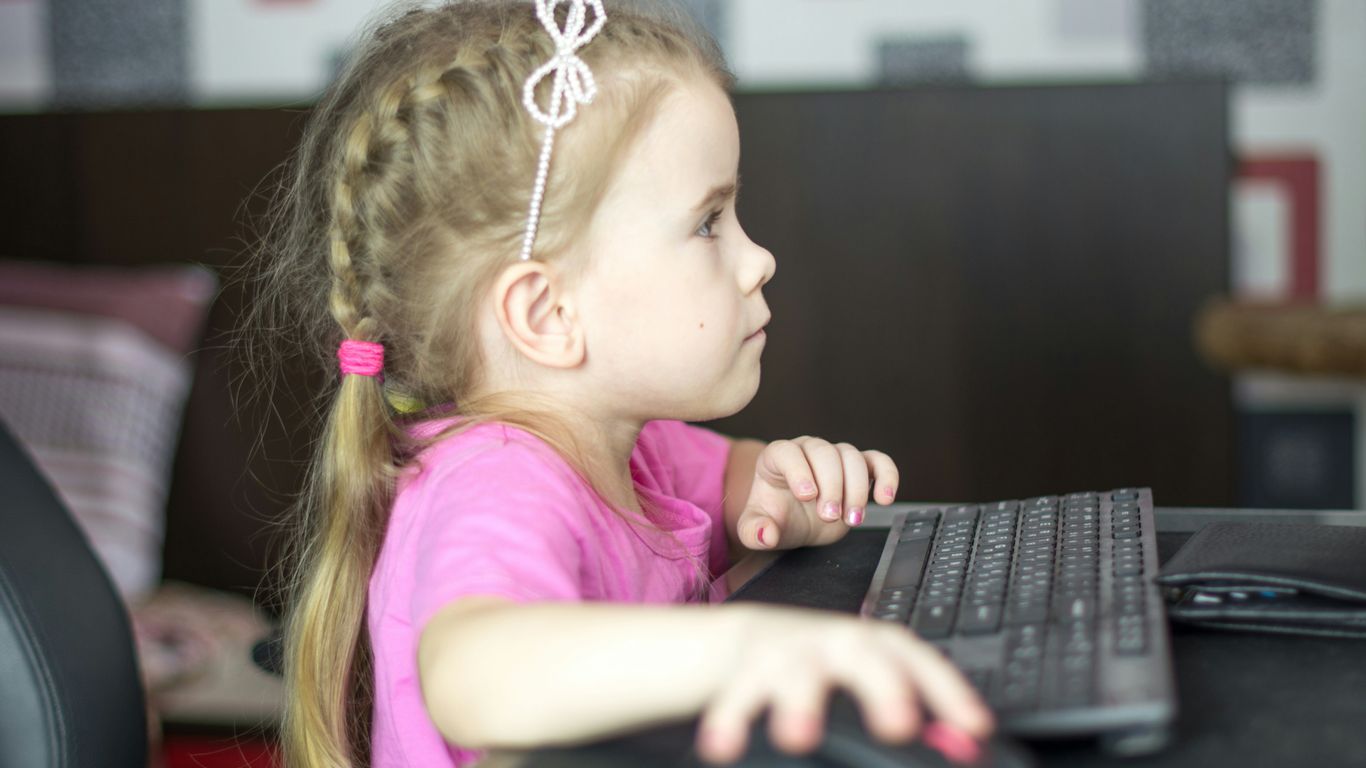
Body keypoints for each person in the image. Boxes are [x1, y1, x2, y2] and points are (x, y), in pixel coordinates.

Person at [244, 1, 994, 766]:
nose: (756, 258)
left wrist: (782, 491)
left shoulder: (630, 446)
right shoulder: (497, 482)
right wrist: (746, 646)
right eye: (708, 223)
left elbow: (734, 485)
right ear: (546, 311)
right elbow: (480, 673)